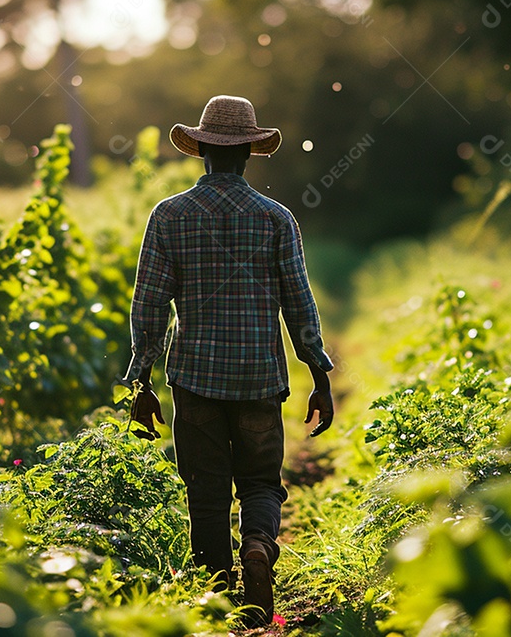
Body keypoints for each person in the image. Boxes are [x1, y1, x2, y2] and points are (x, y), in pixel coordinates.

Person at [122, 95, 334, 626]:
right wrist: (319, 372)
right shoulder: (276, 218)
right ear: (248, 155)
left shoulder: (169, 216)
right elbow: (298, 302)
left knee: (207, 493)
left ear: (202, 152)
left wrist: (140, 380)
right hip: (261, 378)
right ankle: (260, 545)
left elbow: (148, 302)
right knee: (261, 482)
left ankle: (218, 606)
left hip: (194, 379)